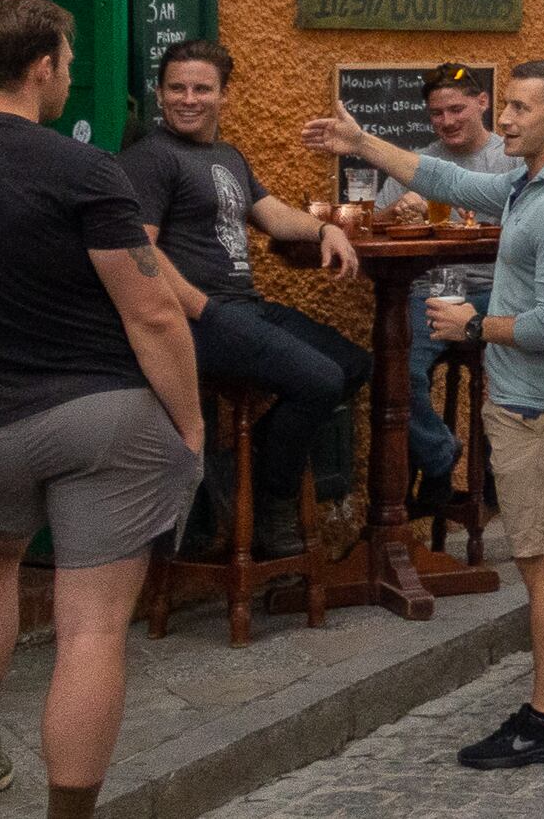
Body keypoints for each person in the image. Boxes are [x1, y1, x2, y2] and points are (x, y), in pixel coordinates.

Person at [0, 0, 203, 819]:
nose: (71, 73)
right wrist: (190, 425)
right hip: (104, 416)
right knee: (90, 630)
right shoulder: (82, 167)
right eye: (69, 59)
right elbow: (154, 310)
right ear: (42, 66)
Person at [307, 63, 544, 768]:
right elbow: (454, 183)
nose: (505, 120)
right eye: (506, 107)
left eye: (521, 108)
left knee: (541, 559)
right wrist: (363, 142)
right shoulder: (534, 181)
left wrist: (475, 325)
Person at [119, 39, 366, 557]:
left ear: (223, 95)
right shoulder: (150, 158)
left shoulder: (226, 155)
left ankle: (241, 478)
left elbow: (272, 214)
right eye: (176, 88)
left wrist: (324, 231)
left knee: (352, 364)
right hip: (196, 318)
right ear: (160, 95)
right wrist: (196, 306)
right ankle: (271, 504)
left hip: (241, 307)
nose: (188, 98)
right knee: (318, 380)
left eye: (201, 88)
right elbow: (139, 248)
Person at [370, 62, 514, 504]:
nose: (447, 121)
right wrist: (396, 213)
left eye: (457, 109)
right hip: (433, 289)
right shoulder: (419, 162)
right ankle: (440, 455)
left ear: (482, 102)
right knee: (396, 370)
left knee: (519, 369)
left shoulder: (509, 159)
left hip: (496, 289)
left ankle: (497, 475)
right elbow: (376, 223)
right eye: (437, 114)